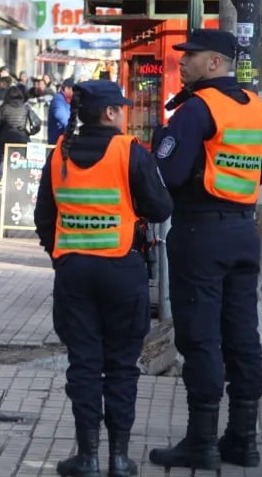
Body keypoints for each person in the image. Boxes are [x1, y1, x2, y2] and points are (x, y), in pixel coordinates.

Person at [33, 80, 173, 477]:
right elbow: (161, 208)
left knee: (84, 365)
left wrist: (61, 257)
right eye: (121, 108)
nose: (125, 113)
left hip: (74, 273)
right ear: (109, 113)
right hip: (121, 271)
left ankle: (88, 457)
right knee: (122, 366)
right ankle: (119, 458)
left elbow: (44, 216)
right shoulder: (129, 151)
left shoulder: (60, 152)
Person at [149, 29, 262, 472]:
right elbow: (258, 174)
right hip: (243, 232)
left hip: (200, 234)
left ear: (215, 63)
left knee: (200, 337)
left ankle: (201, 442)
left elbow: (168, 175)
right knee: (242, 337)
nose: (181, 62)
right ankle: (242, 439)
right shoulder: (256, 108)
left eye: (191, 56)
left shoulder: (196, 109)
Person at [0, 85, 42, 181]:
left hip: (6, 136)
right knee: (23, 158)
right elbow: (37, 123)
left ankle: (1, 175)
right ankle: (23, 176)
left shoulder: (3, 108)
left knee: (3, 156)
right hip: (22, 136)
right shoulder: (26, 108)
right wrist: (30, 133)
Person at [48, 77, 75, 144]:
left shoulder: (69, 101)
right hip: (56, 142)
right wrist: (73, 127)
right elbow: (62, 117)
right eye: (74, 89)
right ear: (66, 89)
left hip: (65, 141)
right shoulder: (58, 99)